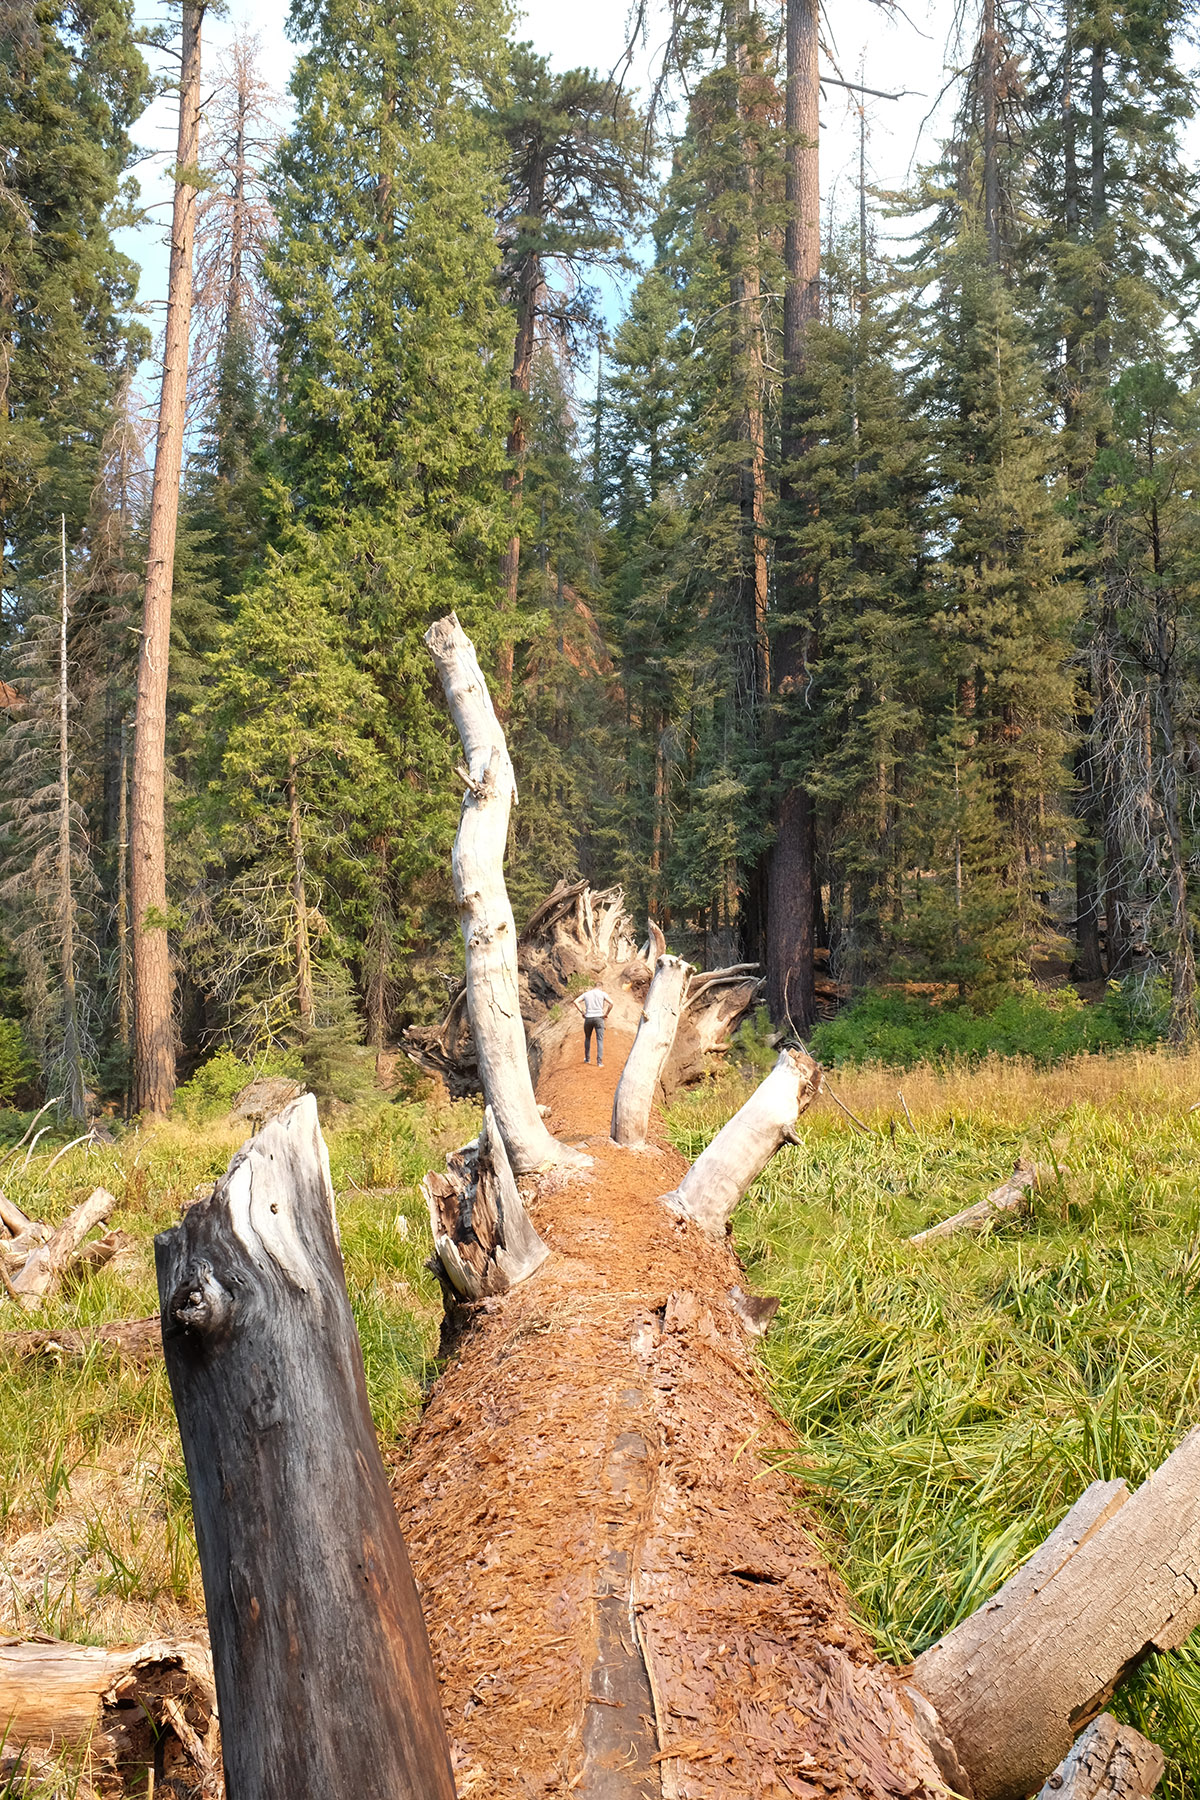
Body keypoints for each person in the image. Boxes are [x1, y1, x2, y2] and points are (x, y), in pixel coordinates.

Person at [573, 984, 613, 1066]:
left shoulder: (587, 994)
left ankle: (587, 1059)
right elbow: (611, 1003)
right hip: (599, 1017)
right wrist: (606, 1014)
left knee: (587, 1038)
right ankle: (599, 1062)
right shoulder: (603, 994)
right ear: (601, 987)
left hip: (588, 1018)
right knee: (599, 1040)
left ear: (594, 987)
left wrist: (582, 1012)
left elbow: (575, 1001)